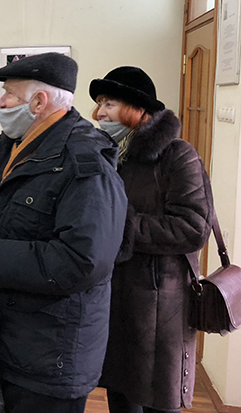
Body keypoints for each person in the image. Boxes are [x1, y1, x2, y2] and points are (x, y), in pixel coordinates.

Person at [0, 53, 128, 413]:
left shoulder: (85, 162)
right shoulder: (12, 145)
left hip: (50, 357)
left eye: (8, 94)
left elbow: (80, 261)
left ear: (39, 101)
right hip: (3, 339)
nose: (0, 102)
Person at [89, 66, 213, 412]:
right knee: (121, 394)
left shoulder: (177, 154)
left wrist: (120, 227)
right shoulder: (110, 154)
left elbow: (192, 227)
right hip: (114, 297)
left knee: (159, 398)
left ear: (138, 108)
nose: (100, 113)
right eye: (99, 104)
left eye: (109, 103)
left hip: (160, 305)